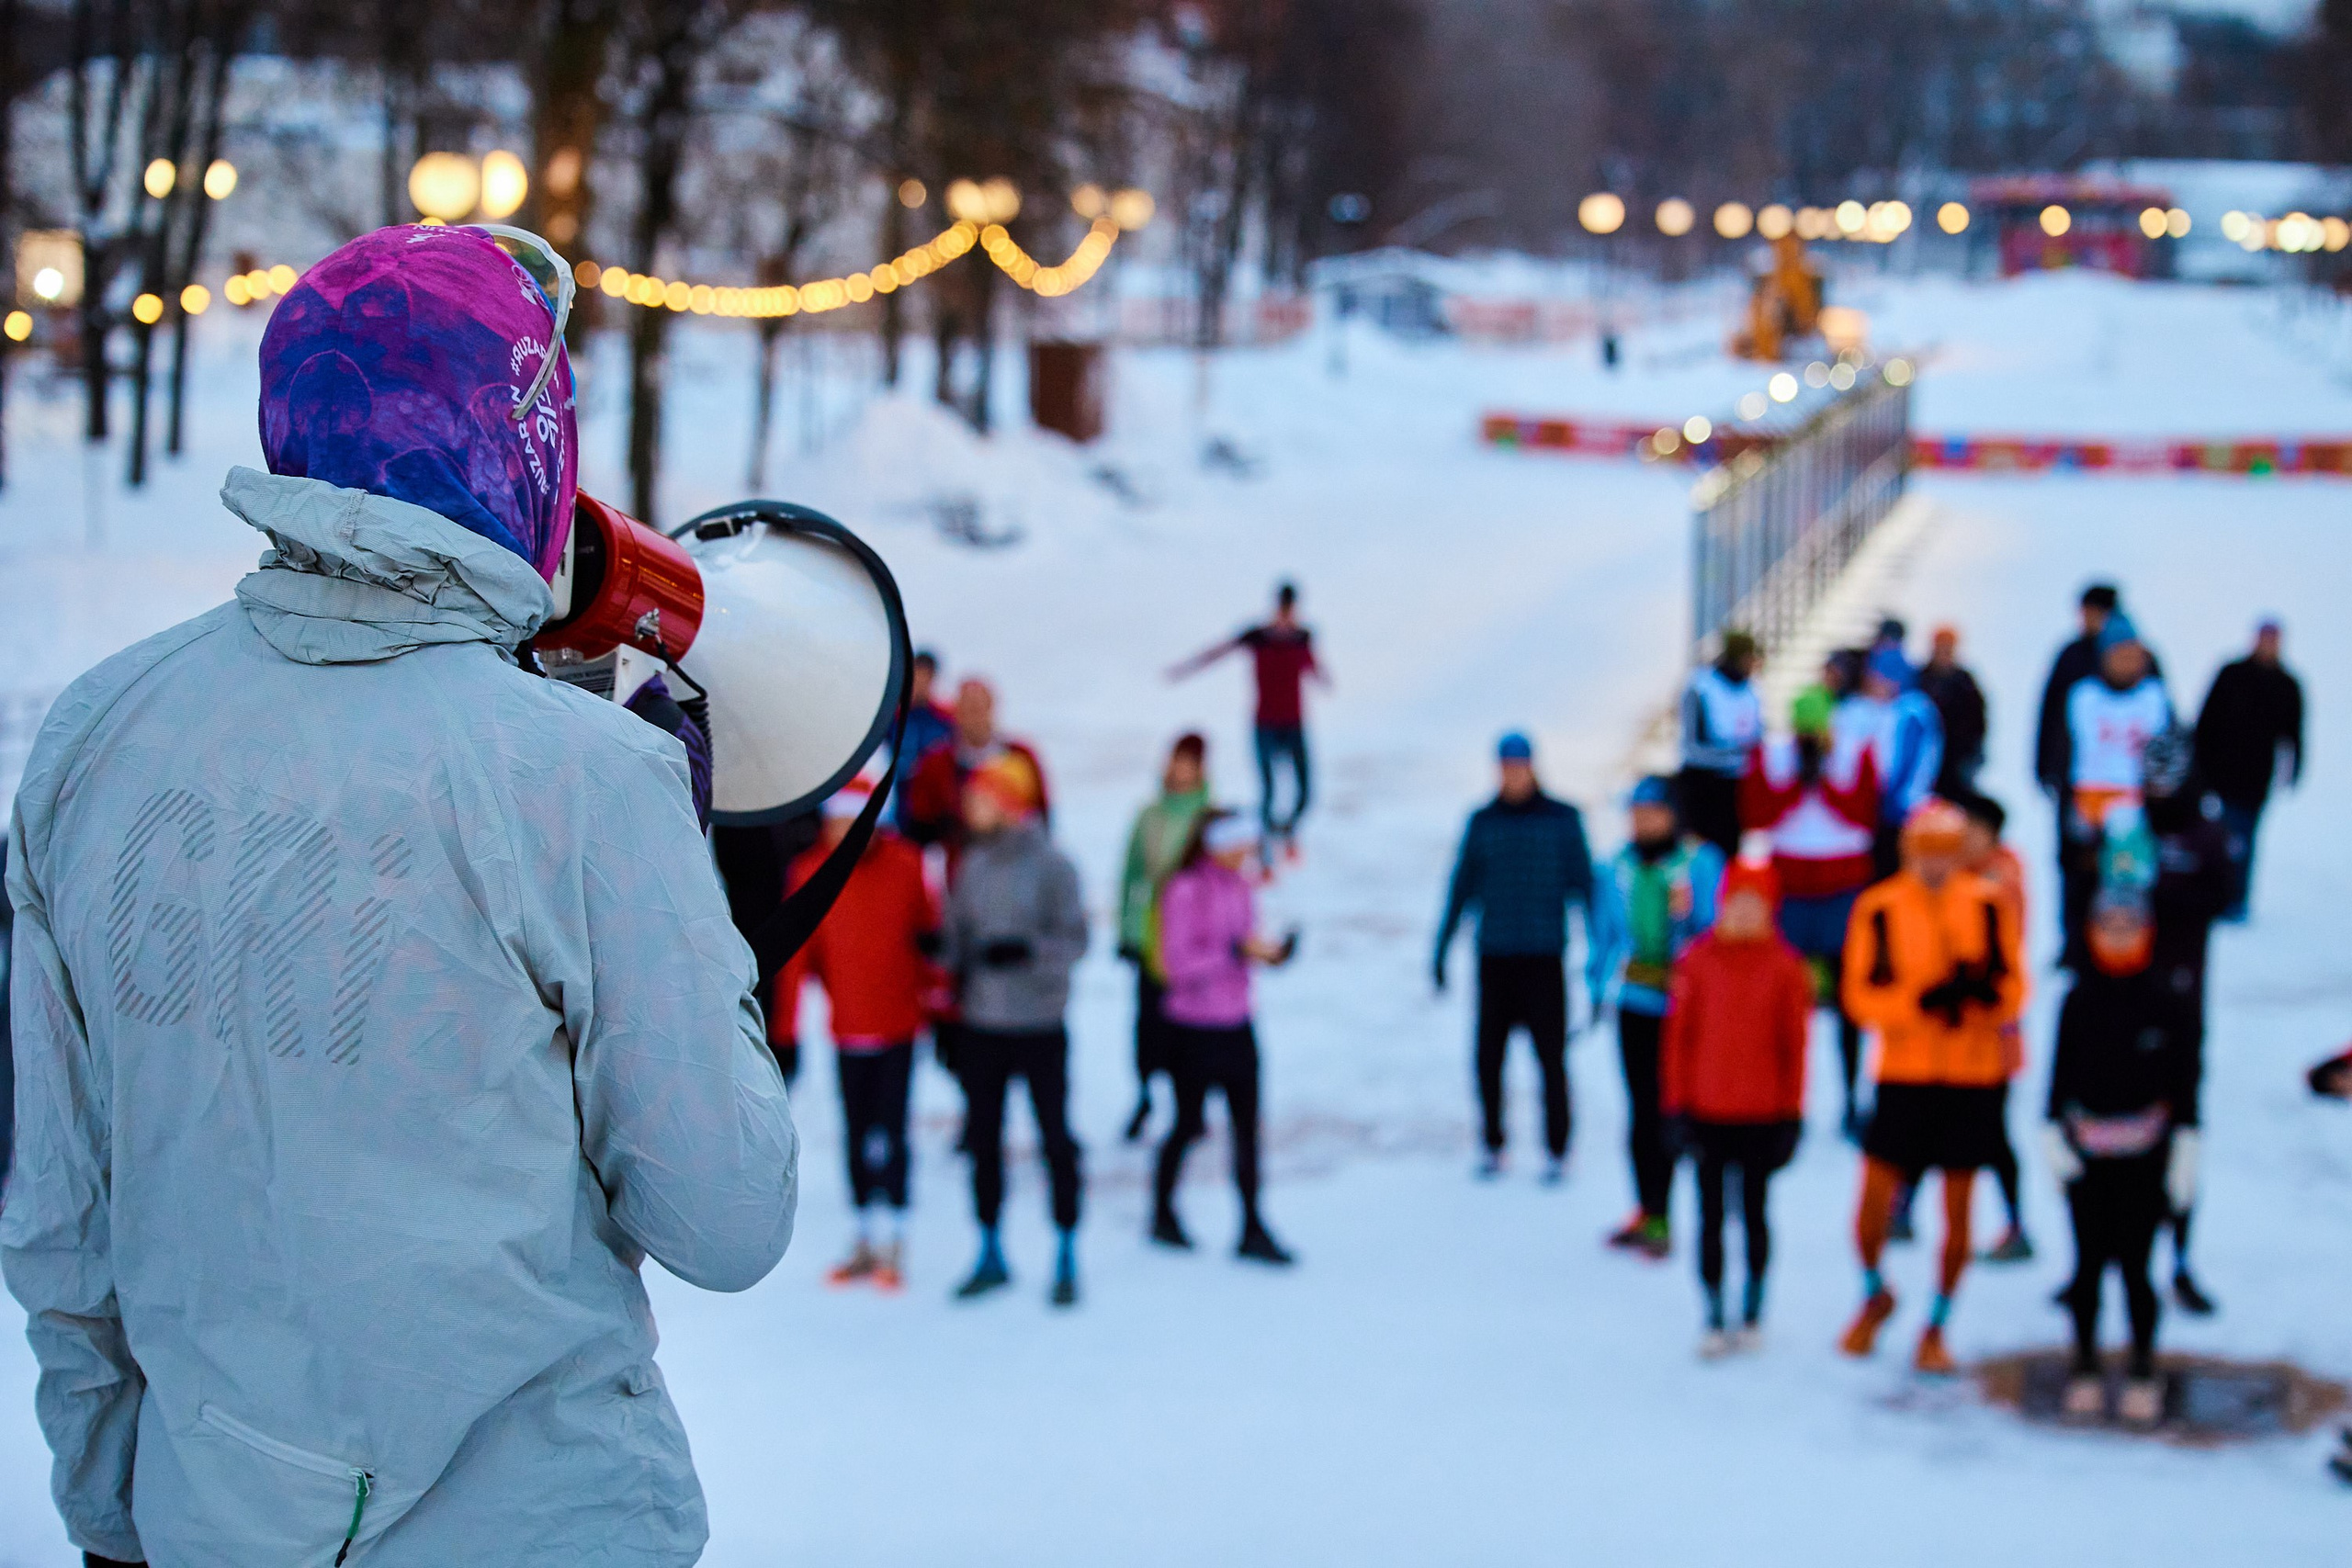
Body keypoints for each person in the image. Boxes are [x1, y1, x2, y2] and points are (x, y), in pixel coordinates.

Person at [0, 226, 797, 1568]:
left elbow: (59, 1212)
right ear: (528, 446)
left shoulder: (98, 729)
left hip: (210, 1520)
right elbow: (725, 1219)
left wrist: (109, 1518)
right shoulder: (584, 781)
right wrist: (688, 913)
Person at [1838, 800, 2026, 1374]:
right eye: (1926, 853)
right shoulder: (1879, 908)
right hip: (1904, 1075)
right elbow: (1859, 998)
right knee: (1873, 1203)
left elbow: (2015, 986)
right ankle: (1875, 1291)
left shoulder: (1988, 904)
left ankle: (1937, 1323)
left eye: (1946, 853)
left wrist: (1980, 1000)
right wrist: (1917, 1006)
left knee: (1959, 1209)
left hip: (1971, 1075)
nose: (1936, 864)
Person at [775, 778, 941, 1292]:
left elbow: (930, 936)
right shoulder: (810, 871)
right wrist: (785, 1033)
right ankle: (863, 1234)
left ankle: (897, 1234)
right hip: (847, 1027)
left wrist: (942, 1003)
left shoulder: (907, 864)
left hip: (900, 1023)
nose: (843, 833)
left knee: (893, 1127)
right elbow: (795, 958)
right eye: (837, 823)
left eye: (854, 822)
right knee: (855, 1128)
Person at [2043, 891, 2200, 1428]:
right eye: (2107, 927)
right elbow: (2059, 1075)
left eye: (2128, 927)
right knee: (2086, 1265)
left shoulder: (2169, 1000)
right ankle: (2085, 1364)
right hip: (2087, 1153)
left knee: (2137, 1267)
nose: (2118, 938)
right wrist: (2053, 1135)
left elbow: (2186, 1080)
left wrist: (2186, 1147)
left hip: (2146, 1154)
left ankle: (2142, 1368)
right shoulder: (2078, 1000)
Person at [938, 750, 1089, 1307]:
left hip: (1040, 1026)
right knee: (984, 1141)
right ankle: (989, 1250)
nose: (970, 808)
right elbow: (956, 939)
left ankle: (1066, 1249)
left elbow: (1076, 941)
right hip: (983, 1026)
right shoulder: (971, 866)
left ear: (1007, 803)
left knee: (1055, 1139)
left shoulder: (1055, 866)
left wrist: (1029, 952)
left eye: (980, 799)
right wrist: (940, 952)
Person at [1660, 859, 1810, 1355]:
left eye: (1755, 905)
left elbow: (1795, 1046)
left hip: (1762, 1115)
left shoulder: (1786, 967)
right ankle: (1712, 1310)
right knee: (1709, 1215)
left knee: (1754, 1212)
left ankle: (1752, 1308)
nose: (1745, 914)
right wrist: (1675, 1106)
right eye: (1737, 904)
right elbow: (1679, 1040)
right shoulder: (1697, 962)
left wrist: (1792, 1113)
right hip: (1707, 1113)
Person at [1433, 732, 1597, 1181]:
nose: (1513, 774)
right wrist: (1442, 947)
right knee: (1489, 1058)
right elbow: (1461, 887)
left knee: (1551, 1058)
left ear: (1532, 766)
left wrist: (1599, 952)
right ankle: (1493, 1143)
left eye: (1519, 765)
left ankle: (1558, 1149)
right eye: (1506, 766)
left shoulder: (1562, 820)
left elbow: (1585, 886)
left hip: (1544, 956)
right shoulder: (1484, 821)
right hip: (1495, 956)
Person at [1150, 810, 1299, 1264]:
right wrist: (1232, 952)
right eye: (1240, 844)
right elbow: (1178, 965)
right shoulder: (1184, 889)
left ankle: (1252, 1223)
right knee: (1188, 1123)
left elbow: (1244, 945)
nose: (1248, 851)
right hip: (1192, 1028)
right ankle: (1162, 1212)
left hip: (1237, 1022)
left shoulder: (1241, 886)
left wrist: (1270, 955)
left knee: (1246, 1129)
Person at [1589, 775, 1724, 1257]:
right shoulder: (1616, 868)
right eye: (1637, 814)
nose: (1644, 823)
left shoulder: (1699, 863)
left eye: (1653, 813)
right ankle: (1650, 1209)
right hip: (1637, 1003)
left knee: (1683, 1111)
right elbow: (1604, 933)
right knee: (1642, 1111)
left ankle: (1702, 1217)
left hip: (1686, 1009)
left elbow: (1713, 932)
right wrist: (1595, 985)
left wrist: (1686, 920)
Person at [1740, 684, 1880, 1138]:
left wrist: (1826, 780)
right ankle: (1780, 1099)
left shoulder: (1855, 753)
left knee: (1850, 1002)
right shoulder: (1770, 756)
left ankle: (1851, 1098)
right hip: (1790, 892)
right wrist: (1798, 781)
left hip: (1843, 889)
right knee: (1782, 1000)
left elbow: (1864, 815)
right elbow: (1757, 816)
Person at [2138, 726, 2233, 1315]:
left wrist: (2160, 895)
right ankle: (2108, 1257)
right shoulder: (2129, 827)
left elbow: (2221, 898)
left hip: (2182, 1002)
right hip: (2124, 1001)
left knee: (2181, 1135)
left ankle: (2179, 1256)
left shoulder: (2206, 833)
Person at [1166, 581, 1329, 847]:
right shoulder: (1258, 636)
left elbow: (1313, 666)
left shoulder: (1302, 638)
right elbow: (1218, 652)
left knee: (1305, 792)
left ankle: (1287, 832)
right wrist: (1185, 668)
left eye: (1290, 610)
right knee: (1269, 792)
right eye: (1283, 609)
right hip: (1265, 724)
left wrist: (1322, 676)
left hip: (1294, 724)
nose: (1286, 615)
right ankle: (1266, 846)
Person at [2058, 613, 2172, 967]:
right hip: (2088, 807)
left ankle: (2133, 953)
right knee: (2082, 883)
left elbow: (2169, 752)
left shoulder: (2154, 696)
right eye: (2119, 654)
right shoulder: (2084, 696)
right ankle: (2079, 954)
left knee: (2129, 890)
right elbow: (2062, 747)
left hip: (2137, 812)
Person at [1116, 733, 1214, 1142]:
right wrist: (1127, 930)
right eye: (1175, 760)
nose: (1178, 769)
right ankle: (1145, 1094)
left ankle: (1190, 1105)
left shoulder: (1211, 817)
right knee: (1148, 1023)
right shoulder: (1150, 816)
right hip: (1152, 936)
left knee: (1190, 1027)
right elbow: (1131, 876)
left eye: (1187, 762)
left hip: (1194, 943)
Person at [1955, 794, 2035, 1263]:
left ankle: (2016, 1222)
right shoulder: (1962, 874)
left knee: (1991, 1128)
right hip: (1954, 1028)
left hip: (1990, 1027)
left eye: (1971, 831)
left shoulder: (1999, 880)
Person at [2193, 618, 2303, 922]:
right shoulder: (2232, 673)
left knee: (2243, 840)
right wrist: (2196, 763)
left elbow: (2294, 733)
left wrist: (2294, 768)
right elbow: (2207, 718)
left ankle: (2236, 899)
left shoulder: (2287, 685)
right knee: (2216, 836)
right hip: (2220, 772)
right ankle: (2214, 895)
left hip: (2256, 778)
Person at [902, 676, 1053, 868]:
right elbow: (919, 827)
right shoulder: (936, 763)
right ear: (956, 713)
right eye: (968, 709)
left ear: (992, 709)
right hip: (961, 865)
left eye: (980, 708)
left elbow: (1042, 816)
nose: (975, 718)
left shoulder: (1021, 756)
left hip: (1018, 862)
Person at [1835, 643, 1944, 876]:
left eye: (1878, 676)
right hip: (1866, 808)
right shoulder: (1864, 708)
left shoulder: (1913, 710)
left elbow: (1909, 762)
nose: (1871, 682)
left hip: (1899, 809)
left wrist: (1894, 801)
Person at [1676, 630, 1763, 858]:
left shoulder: (1752, 691)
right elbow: (1691, 747)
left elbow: (1757, 737)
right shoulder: (1701, 687)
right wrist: (1736, 756)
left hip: (1735, 789)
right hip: (1703, 787)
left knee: (1732, 856)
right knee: (1703, 857)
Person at [889, 649, 956, 833]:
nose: (920, 684)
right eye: (916, 677)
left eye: (925, 678)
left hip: (930, 807)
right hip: (896, 797)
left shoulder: (946, 720)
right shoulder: (892, 718)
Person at [1918, 625, 1989, 797]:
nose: (1944, 652)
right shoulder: (1920, 679)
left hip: (1956, 763)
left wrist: (1973, 757)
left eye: (1948, 647)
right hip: (1924, 762)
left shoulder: (1965, 683)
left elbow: (1979, 723)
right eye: (1940, 646)